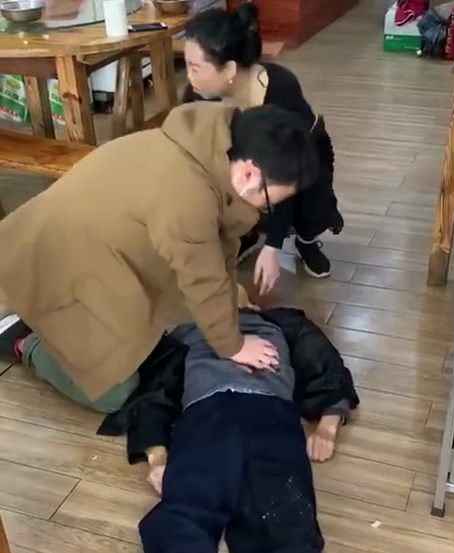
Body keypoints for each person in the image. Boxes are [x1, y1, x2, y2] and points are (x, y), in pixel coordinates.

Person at [0, 102, 317, 413]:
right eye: (269, 203)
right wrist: (233, 345)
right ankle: (23, 339)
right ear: (249, 174)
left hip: (86, 249)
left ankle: (43, 319)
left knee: (154, 335)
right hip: (53, 262)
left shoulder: (203, 145)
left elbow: (212, 255)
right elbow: (202, 278)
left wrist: (231, 299)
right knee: (113, 393)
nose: (265, 211)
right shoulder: (188, 195)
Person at [138, 307, 359, 553]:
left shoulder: (280, 322)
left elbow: (322, 360)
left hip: (269, 410)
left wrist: (329, 424)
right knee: (186, 512)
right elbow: (156, 390)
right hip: (206, 411)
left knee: (284, 519)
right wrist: (156, 455)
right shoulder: (189, 329)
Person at [182, 2, 344, 291]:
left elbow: (282, 174)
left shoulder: (279, 89)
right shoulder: (199, 96)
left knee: (311, 210)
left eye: (195, 68)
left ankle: (305, 240)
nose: (189, 77)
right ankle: (246, 233)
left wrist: (273, 246)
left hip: (302, 161)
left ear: (229, 68)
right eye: (186, 65)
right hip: (250, 164)